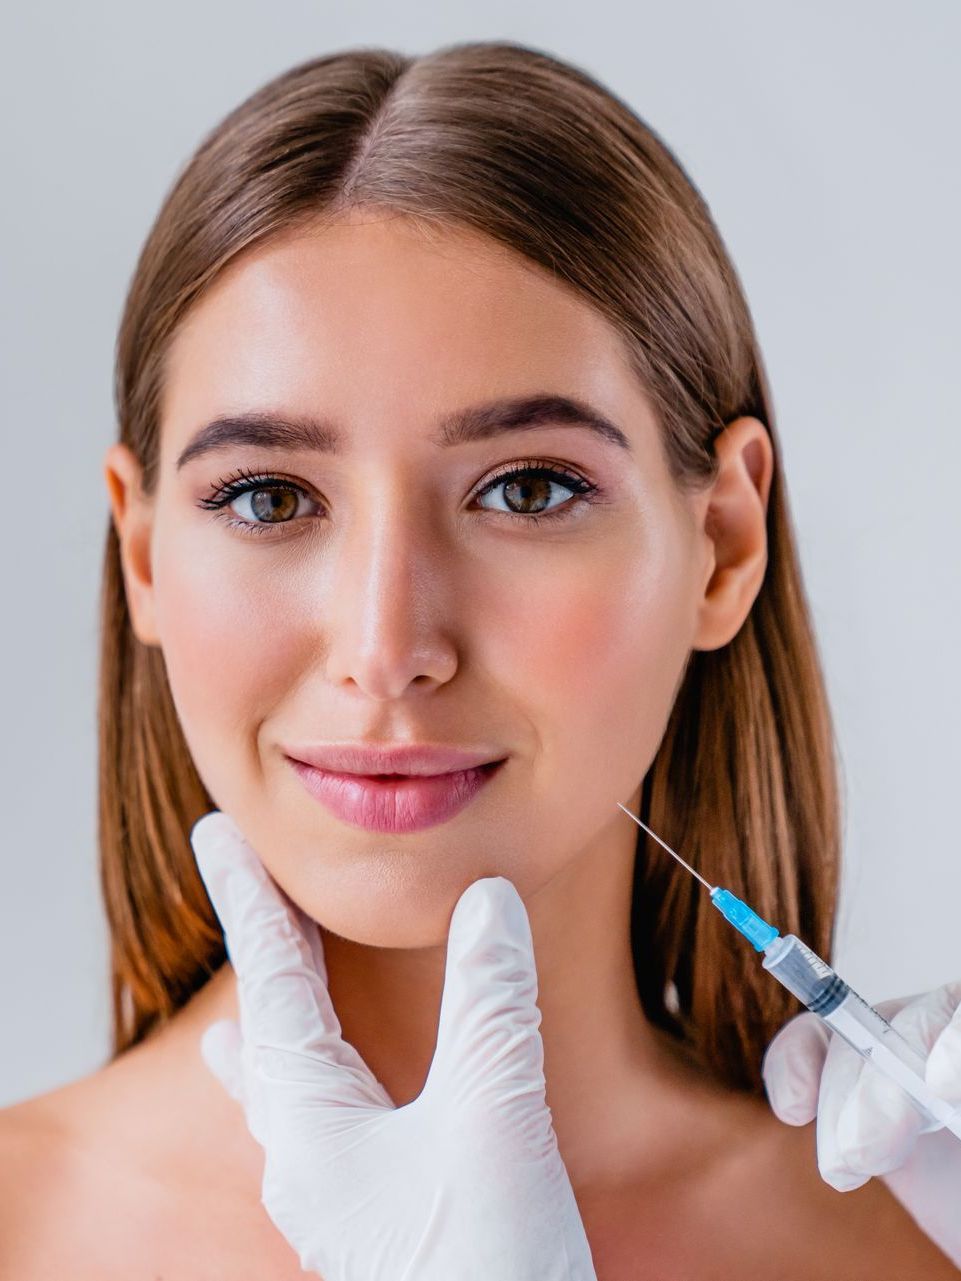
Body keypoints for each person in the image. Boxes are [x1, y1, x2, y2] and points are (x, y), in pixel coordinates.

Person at [1, 38, 958, 1279]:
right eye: (265, 499)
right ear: (142, 559)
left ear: (722, 545)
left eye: (526, 488)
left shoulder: (913, 1230)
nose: (386, 648)